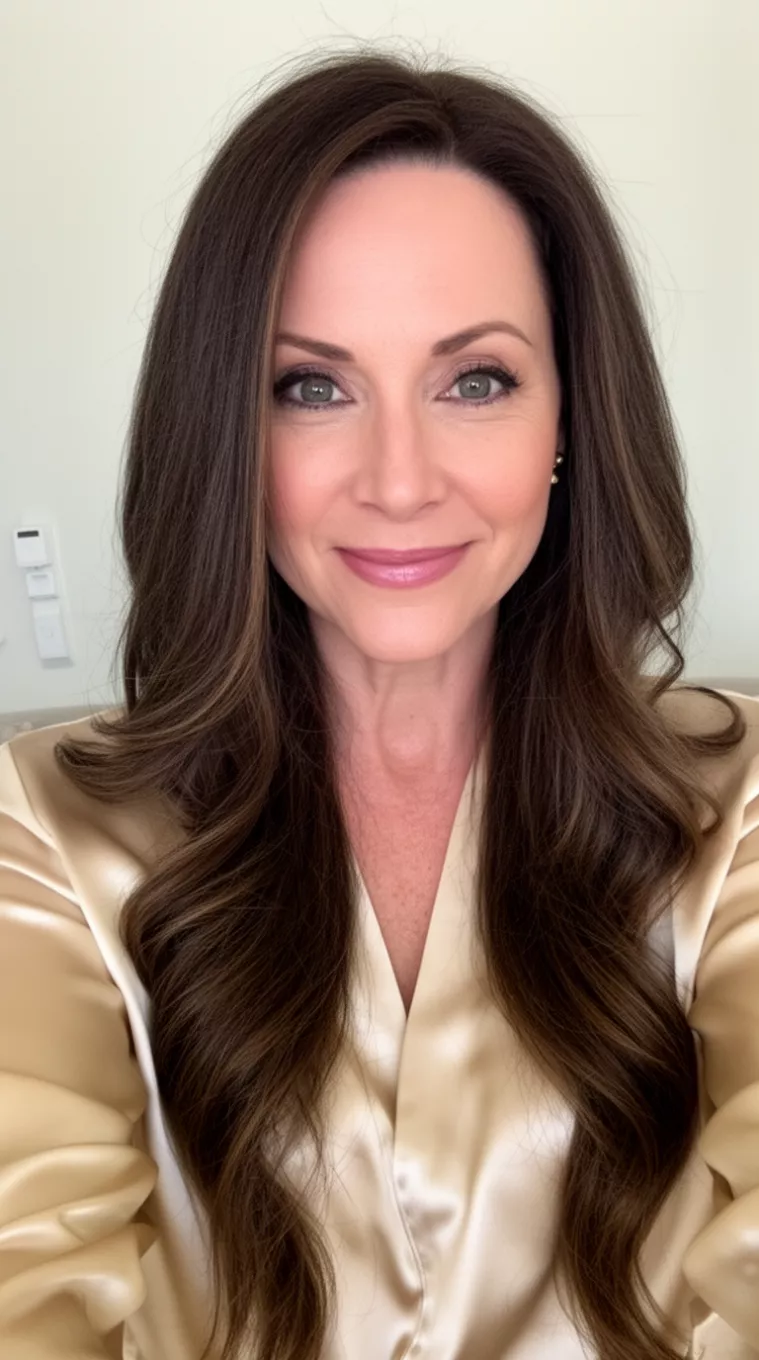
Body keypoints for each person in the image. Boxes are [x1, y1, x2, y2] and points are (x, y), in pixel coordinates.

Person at [1, 44, 757, 1360]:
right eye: (311, 386)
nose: (398, 481)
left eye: (475, 382)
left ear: (568, 419)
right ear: (226, 429)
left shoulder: (735, 812)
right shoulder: (47, 837)